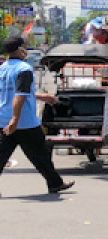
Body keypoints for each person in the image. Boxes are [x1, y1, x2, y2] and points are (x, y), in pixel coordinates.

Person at [0, 35, 74, 197]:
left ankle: (56, 183)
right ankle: (55, 183)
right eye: (24, 46)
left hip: (3, 119)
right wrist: (15, 119)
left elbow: (19, 92)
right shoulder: (24, 69)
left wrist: (44, 97)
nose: (25, 49)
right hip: (23, 122)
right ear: (19, 49)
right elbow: (19, 95)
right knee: (41, 154)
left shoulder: (3, 68)